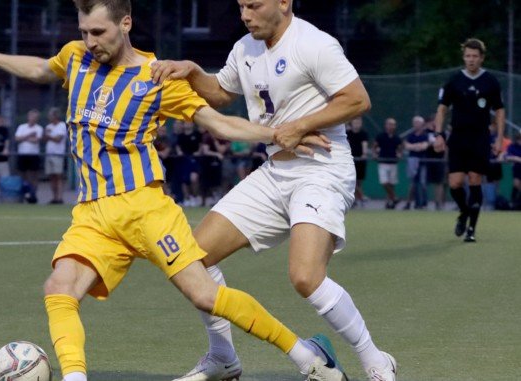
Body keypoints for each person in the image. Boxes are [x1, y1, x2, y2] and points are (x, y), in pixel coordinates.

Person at [0, 1, 344, 381]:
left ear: (125, 23)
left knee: (205, 295)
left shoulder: (156, 76)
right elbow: (42, 69)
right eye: (85, 31)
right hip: (93, 213)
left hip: (145, 208)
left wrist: (278, 133)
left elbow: (218, 123)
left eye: (99, 32)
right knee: (59, 288)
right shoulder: (75, 56)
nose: (90, 41)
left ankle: (305, 356)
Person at [151, 1, 397, 380]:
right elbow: (219, 92)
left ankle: (375, 360)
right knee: (192, 259)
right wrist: (193, 72)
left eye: (254, 5)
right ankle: (223, 358)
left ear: (284, 2)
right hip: (273, 173)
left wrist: (301, 125)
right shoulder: (244, 48)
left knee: (305, 277)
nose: (245, 14)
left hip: (322, 170)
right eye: (240, 6)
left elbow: (357, 99)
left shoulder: (314, 43)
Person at [433, 38, 505, 242]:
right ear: (463, 57)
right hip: (457, 137)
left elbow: (499, 110)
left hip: (480, 137)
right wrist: (439, 135)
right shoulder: (454, 80)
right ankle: (464, 212)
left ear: (481, 58)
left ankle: (471, 230)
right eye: (467, 56)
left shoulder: (490, 81)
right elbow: (442, 109)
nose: (471, 60)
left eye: (475, 56)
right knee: (455, 183)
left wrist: (499, 138)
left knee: (474, 179)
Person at [14, 109, 43, 203]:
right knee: (23, 176)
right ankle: (23, 194)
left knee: (33, 176)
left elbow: (36, 140)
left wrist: (24, 138)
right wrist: (29, 135)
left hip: (33, 155)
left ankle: (32, 195)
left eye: (35, 117)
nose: (33, 119)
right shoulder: (22, 127)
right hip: (22, 154)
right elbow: (17, 138)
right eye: (31, 117)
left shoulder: (39, 128)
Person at [373, 118, 403, 209]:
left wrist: (399, 154)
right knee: (384, 182)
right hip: (383, 162)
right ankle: (394, 197)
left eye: (393, 124)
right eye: (389, 124)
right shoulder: (380, 136)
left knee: (391, 183)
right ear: (386, 125)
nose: (391, 126)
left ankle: (390, 203)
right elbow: (374, 146)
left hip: (393, 162)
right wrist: (375, 154)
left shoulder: (397, 138)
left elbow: (400, 148)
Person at [403, 115, 429, 210]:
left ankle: (424, 203)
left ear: (422, 124)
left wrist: (414, 146)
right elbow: (407, 146)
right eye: (415, 123)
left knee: (422, 183)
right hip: (412, 161)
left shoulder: (425, 135)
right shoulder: (410, 135)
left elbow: (424, 146)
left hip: (422, 162)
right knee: (414, 183)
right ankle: (416, 203)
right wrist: (417, 146)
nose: (416, 125)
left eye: (418, 123)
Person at [44, 107, 68, 204]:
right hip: (49, 154)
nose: (49, 117)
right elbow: (44, 138)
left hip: (58, 154)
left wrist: (49, 135)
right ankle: (54, 198)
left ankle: (60, 198)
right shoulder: (48, 126)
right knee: (52, 177)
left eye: (51, 115)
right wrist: (49, 136)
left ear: (55, 116)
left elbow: (58, 139)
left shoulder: (62, 125)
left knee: (58, 176)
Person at [346, 117, 369, 207]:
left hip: (360, 160)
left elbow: (365, 145)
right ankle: (361, 197)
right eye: (355, 122)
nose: (357, 124)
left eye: (359, 122)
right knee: (352, 181)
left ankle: (357, 199)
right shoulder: (348, 133)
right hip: (350, 160)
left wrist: (364, 154)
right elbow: (346, 144)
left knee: (359, 182)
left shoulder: (363, 134)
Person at [505, 132, 521, 209]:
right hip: (518, 169)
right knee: (516, 184)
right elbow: (507, 156)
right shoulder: (513, 146)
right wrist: (516, 158)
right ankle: (513, 203)